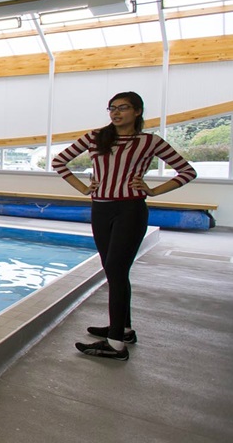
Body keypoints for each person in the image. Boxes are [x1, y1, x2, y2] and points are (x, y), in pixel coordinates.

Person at [52, 91, 196, 361]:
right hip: (101, 209)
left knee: (117, 270)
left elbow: (187, 171)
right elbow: (59, 161)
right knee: (113, 270)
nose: (116, 113)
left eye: (123, 108)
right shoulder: (96, 137)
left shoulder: (149, 142)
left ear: (138, 111)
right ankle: (124, 328)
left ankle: (116, 344)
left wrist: (154, 191)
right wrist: (84, 188)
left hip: (130, 210)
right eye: (112, 108)